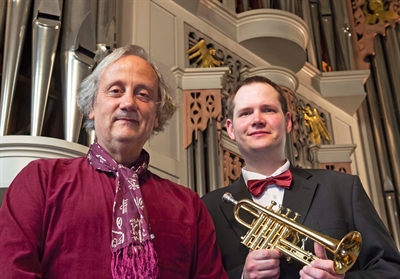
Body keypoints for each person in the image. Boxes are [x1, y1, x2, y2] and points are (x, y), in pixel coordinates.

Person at [0, 45, 228, 279]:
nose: (128, 103)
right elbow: (12, 270)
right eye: (116, 90)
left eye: (143, 94)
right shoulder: (41, 180)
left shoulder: (189, 206)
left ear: (157, 115)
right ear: (92, 106)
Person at [202, 75, 400, 279]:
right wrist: (242, 276)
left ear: (288, 122)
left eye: (268, 110)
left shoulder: (342, 188)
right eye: (245, 113)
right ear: (231, 129)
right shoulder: (207, 208)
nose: (257, 119)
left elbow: (392, 271)